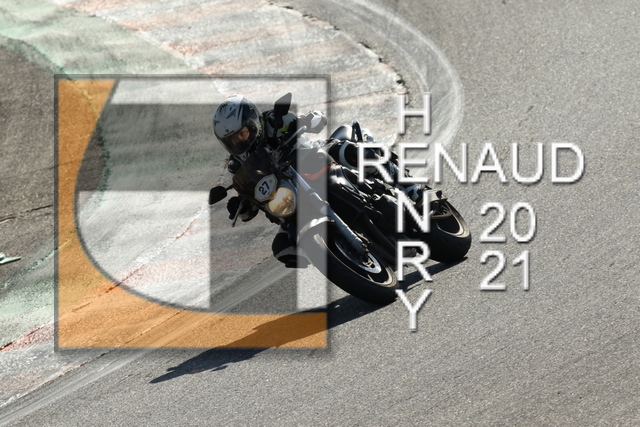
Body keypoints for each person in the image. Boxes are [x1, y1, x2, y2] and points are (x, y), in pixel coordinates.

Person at [212, 94, 422, 267]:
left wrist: (308, 120)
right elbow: (250, 198)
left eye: (242, 133)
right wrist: (241, 206)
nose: (239, 141)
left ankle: (410, 187)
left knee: (351, 152)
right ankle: (337, 259)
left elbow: (315, 120)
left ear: (253, 123)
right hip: (292, 198)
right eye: (231, 140)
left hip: (314, 160)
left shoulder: (274, 121)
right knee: (282, 247)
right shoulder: (237, 165)